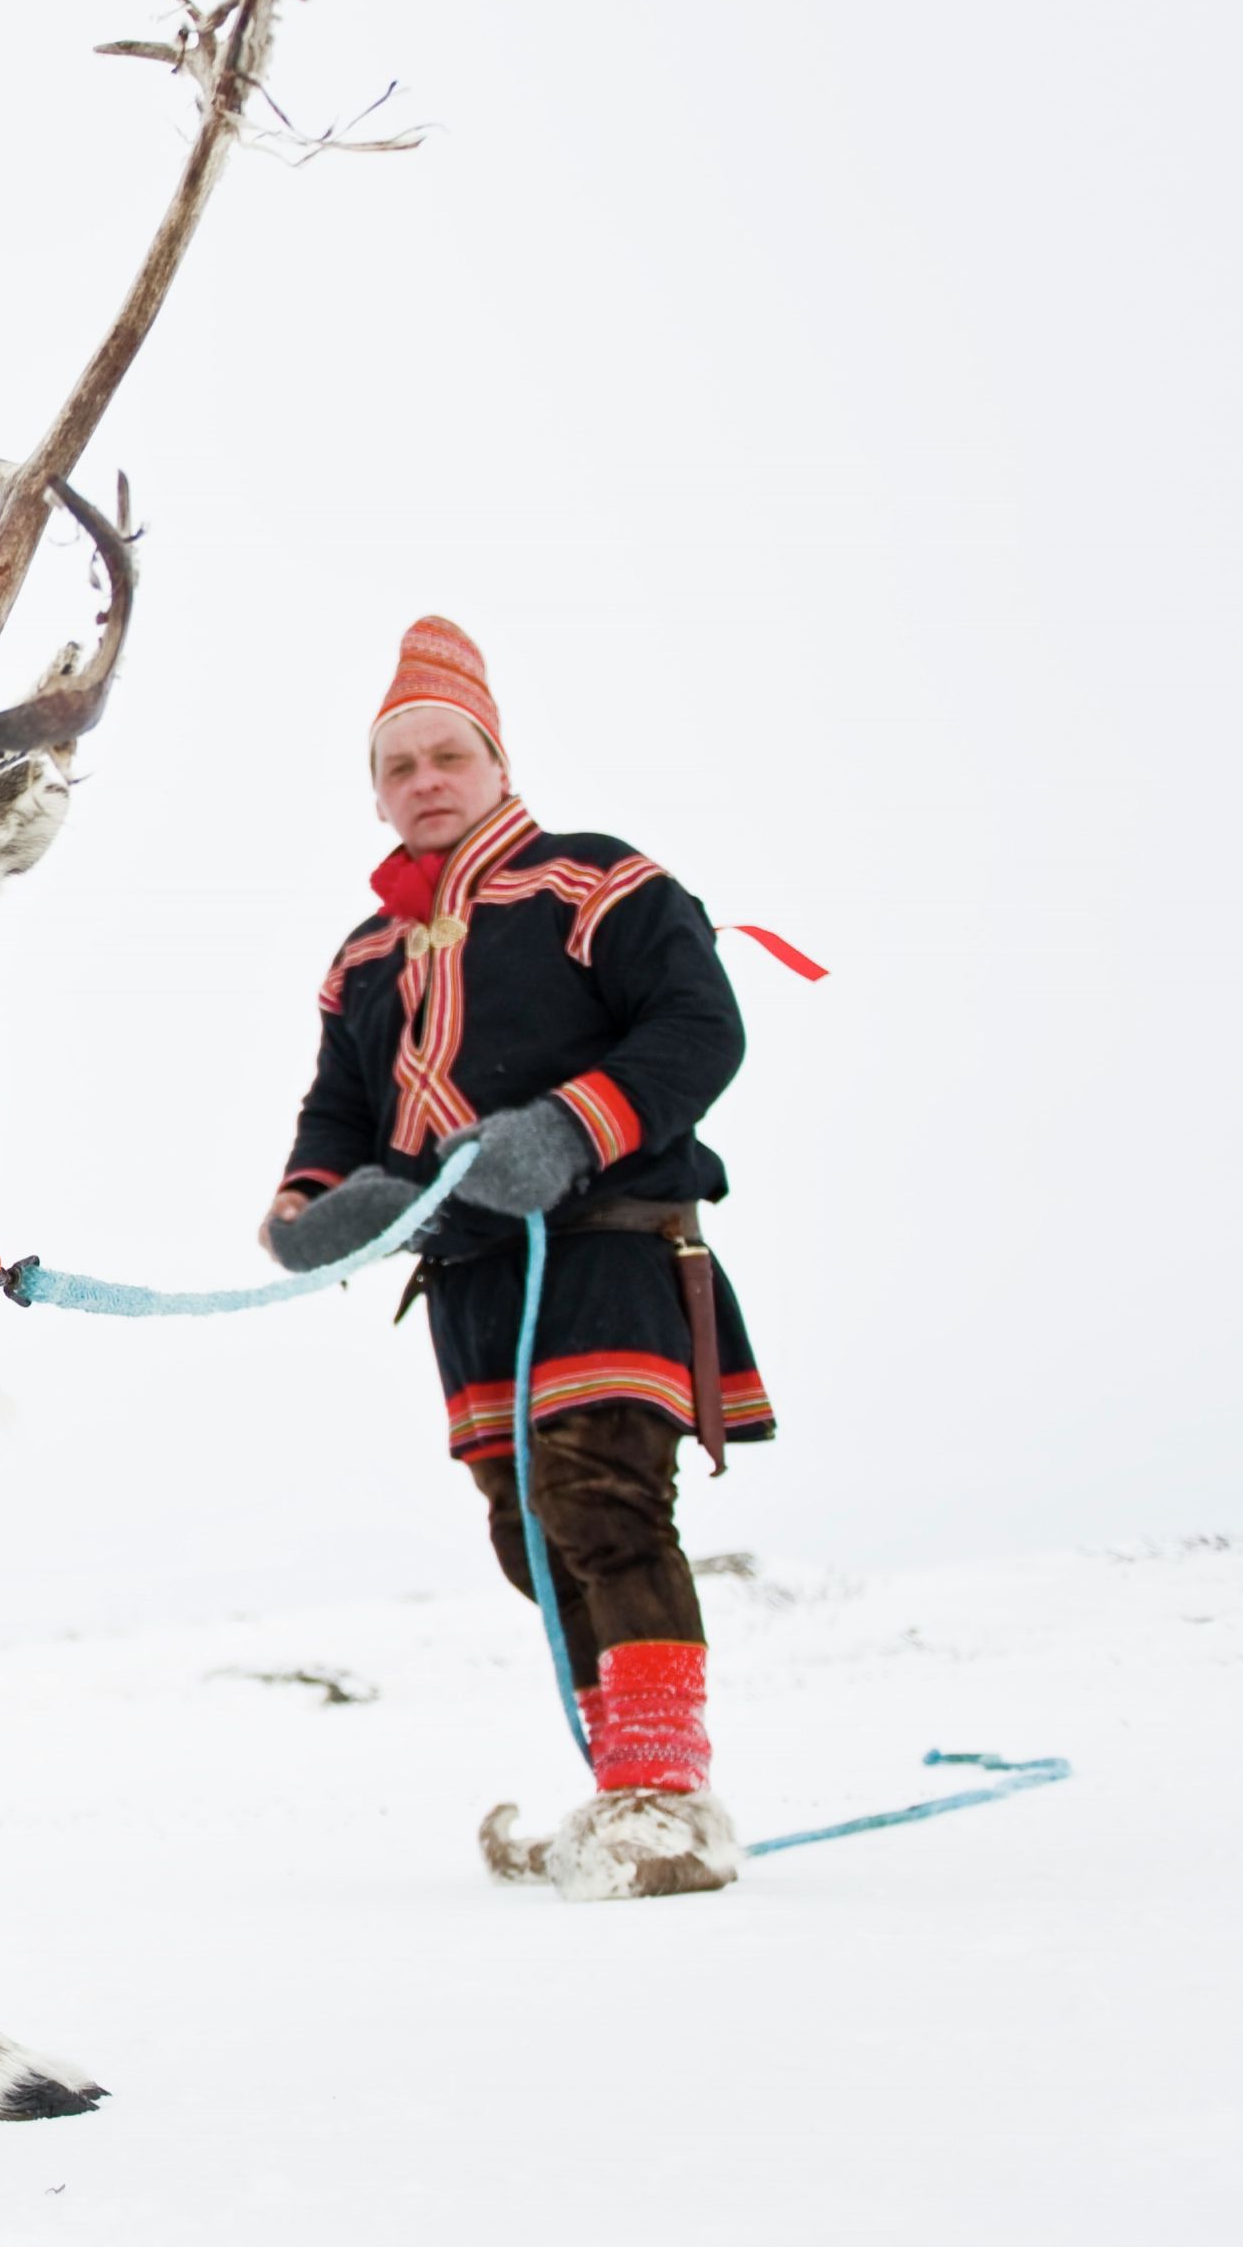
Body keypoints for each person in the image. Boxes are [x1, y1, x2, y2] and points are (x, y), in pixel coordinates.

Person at [262, 617, 774, 1902]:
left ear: (495, 763)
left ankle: (665, 1795)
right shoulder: (363, 955)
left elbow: (699, 1025)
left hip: (607, 1241)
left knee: (599, 1494)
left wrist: (565, 1126)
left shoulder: (598, 883)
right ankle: (622, 1791)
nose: (423, 780)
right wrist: (310, 1206)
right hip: (469, 1279)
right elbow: (336, 1109)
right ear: (374, 790)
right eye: (397, 766)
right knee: (528, 1530)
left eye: (447, 755)